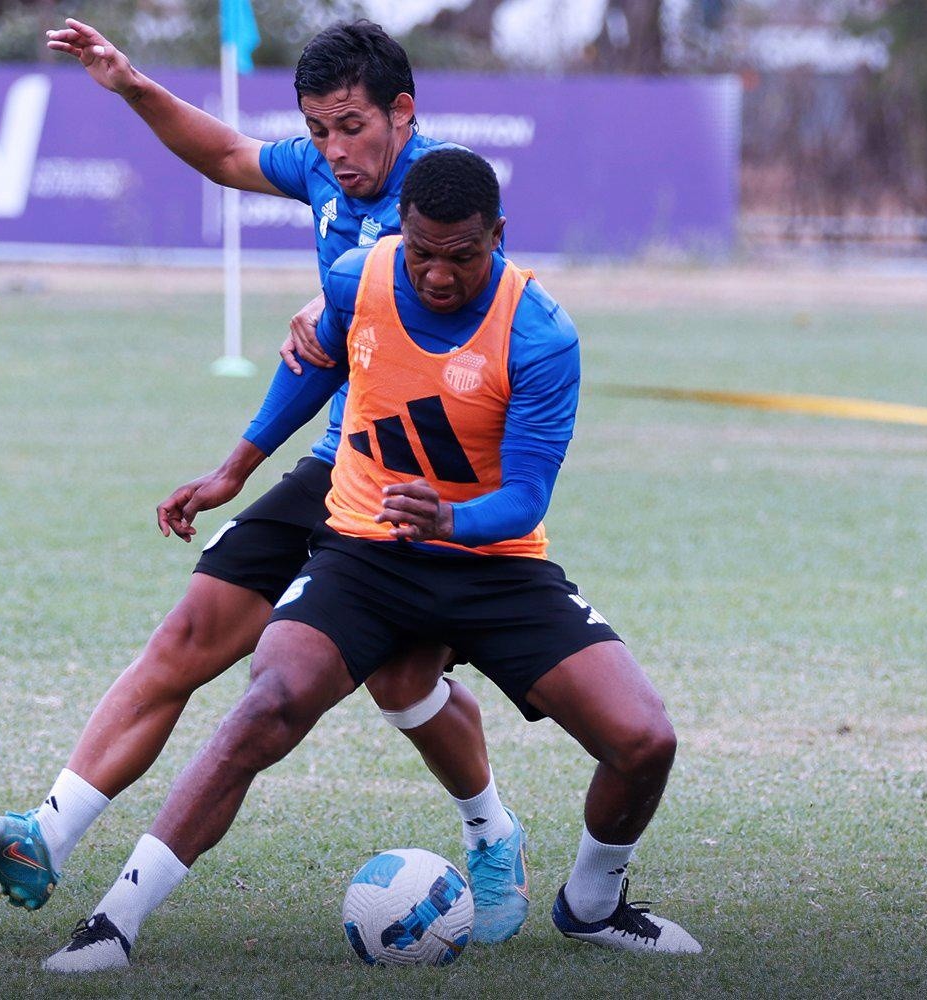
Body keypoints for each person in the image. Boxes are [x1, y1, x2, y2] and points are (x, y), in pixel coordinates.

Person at [0, 20, 530, 945]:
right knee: (189, 634)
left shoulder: (441, 189)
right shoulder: (327, 173)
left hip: (428, 486)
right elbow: (221, 152)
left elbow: (460, 290)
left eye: (351, 127)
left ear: (401, 112)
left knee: (404, 683)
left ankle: (492, 833)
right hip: (338, 462)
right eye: (318, 129)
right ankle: (41, 836)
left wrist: (353, 288)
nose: (334, 151)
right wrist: (130, 84)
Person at [41, 149, 702, 973]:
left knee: (645, 740)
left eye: (460, 255)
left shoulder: (540, 334)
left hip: (493, 563)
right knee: (265, 705)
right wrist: (234, 468)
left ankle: (594, 904)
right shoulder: (364, 275)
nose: (435, 274)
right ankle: (111, 922)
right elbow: (313, 359)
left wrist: (452, 517)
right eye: (421, 250)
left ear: (497, 236)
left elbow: (529, 494)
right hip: (365, 552)